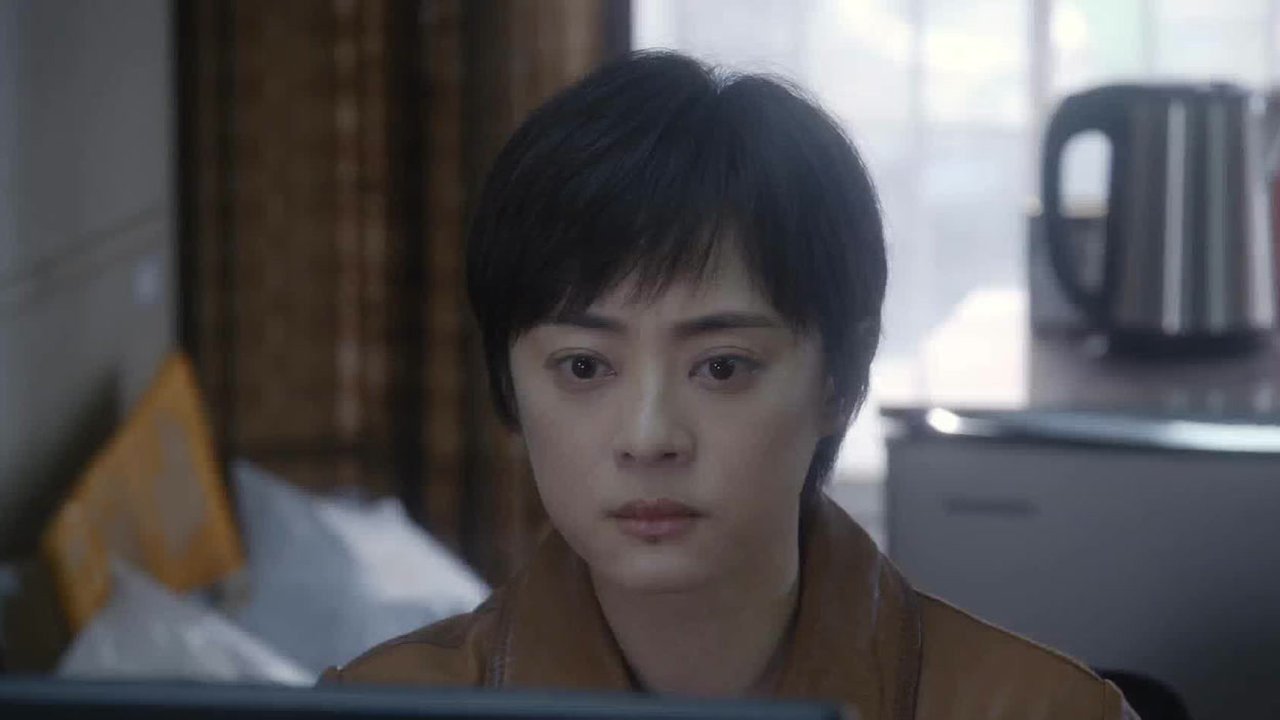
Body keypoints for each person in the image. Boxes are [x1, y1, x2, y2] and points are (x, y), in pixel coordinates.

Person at [320, 51, 1138, 720]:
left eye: (721, 367)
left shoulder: (1043, 712)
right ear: (507, 379)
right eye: (584, 367)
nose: (648, 437)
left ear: (841, 378)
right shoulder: (380, 707)